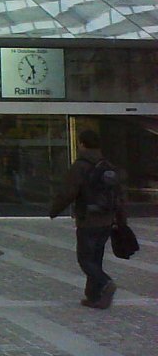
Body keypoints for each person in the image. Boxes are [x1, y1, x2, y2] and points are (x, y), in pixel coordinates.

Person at [49, 130, 122, 310]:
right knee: (96, 258)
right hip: (106, 220)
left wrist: (54, 210)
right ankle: (94, 296)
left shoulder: (80, 166)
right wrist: (120, 219)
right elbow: (118, 194)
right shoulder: (107, 166)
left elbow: (68, 192)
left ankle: (105, 283)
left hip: (88, 220)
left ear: (81, 144)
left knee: (85, 259)